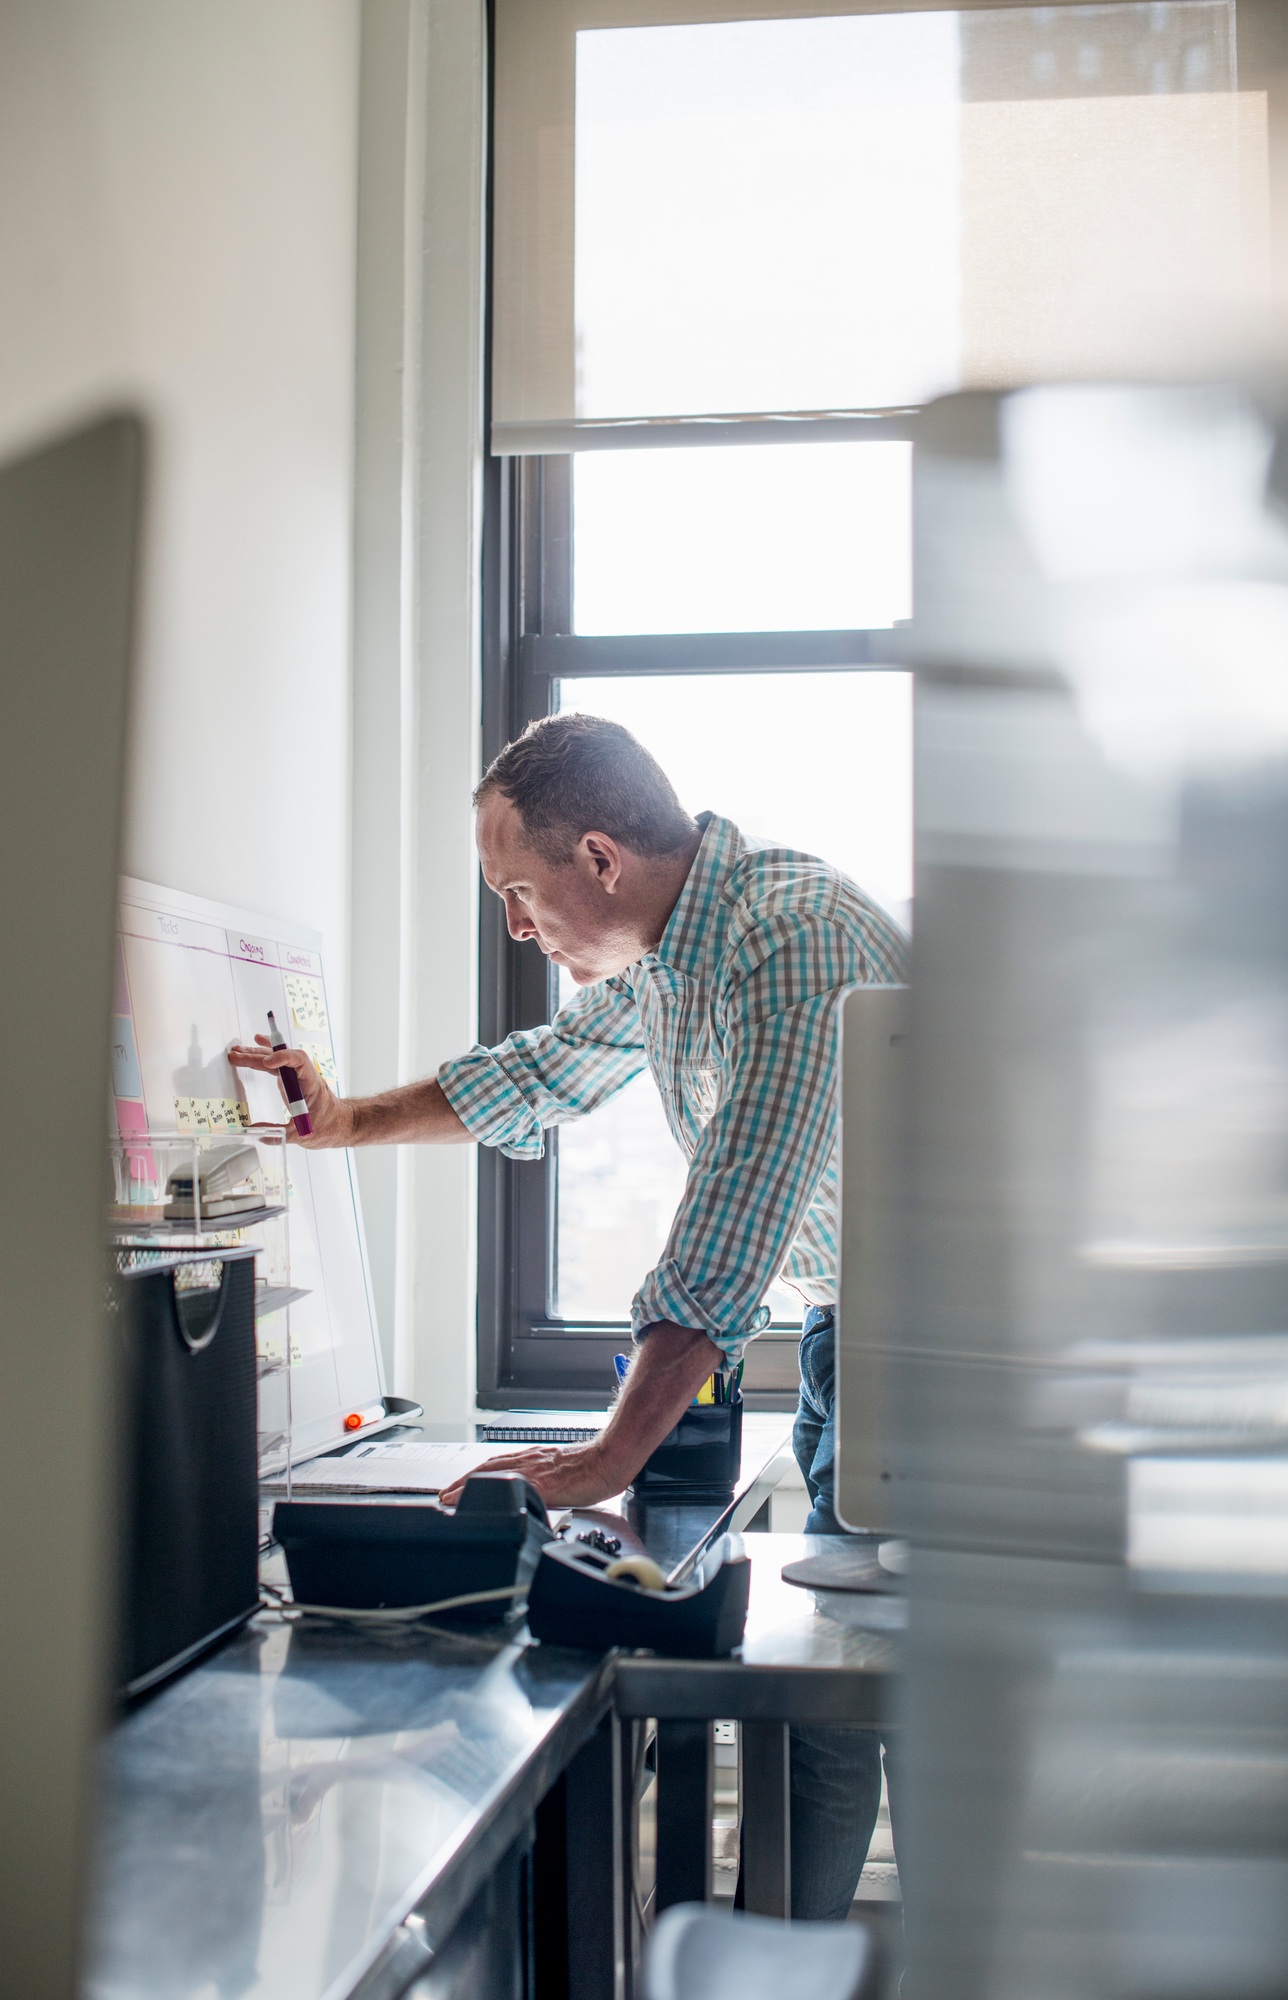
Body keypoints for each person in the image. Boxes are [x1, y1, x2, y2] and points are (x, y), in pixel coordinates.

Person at [231, 711, 907, 1919]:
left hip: (942, 1355)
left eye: (515, 888)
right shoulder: (671, 956)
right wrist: (341, 1123)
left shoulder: (787, 939)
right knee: (835, 1710)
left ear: (598, 857)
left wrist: (604, 1457)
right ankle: (783, 1968)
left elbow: (725, 1238)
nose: (513, 922)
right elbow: (533, 1073)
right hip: (848, 1340)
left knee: (931, 1715)